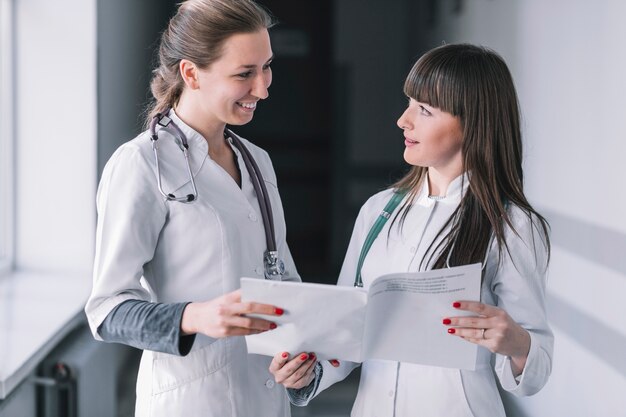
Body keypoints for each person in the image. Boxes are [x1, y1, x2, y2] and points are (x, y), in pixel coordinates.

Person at [269, 43, 553, 416]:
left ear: (472, 123)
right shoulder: (379, 210)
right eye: (409, 104)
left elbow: (536, 369)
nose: (404, 120)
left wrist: (516, 343)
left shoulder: (512, 225)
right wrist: (306, 374)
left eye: (424, 110)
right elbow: (347, 330)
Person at [84, 1, 311, 416]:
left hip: (265, 397)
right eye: (244, 74)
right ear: (191, 74)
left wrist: (299, 356)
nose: (263, 88)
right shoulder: (140, 164)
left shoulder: (257, 162)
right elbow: (107, 311)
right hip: (191, 400)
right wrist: (195, 316)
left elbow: (283, 282)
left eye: (266, 67)